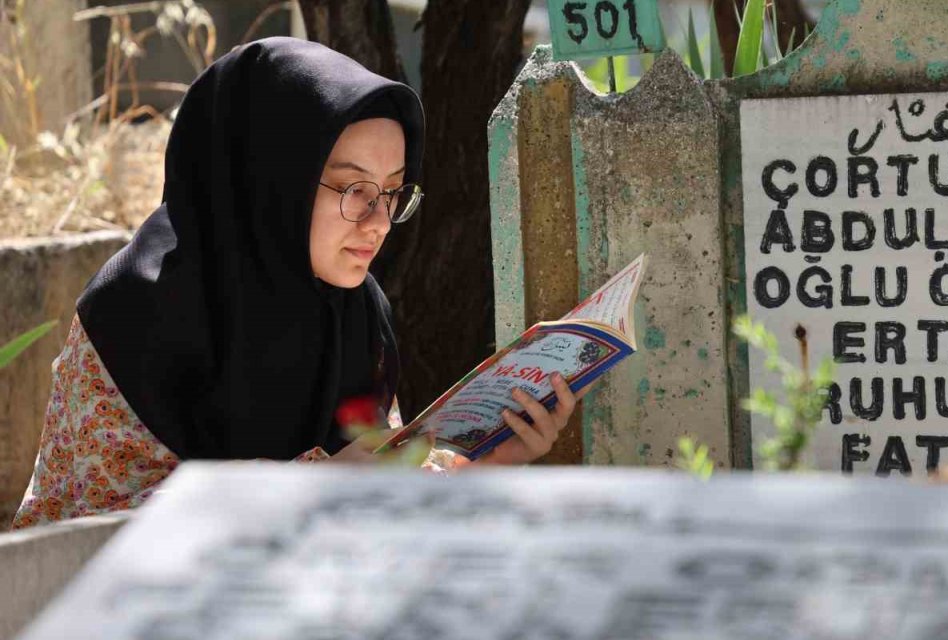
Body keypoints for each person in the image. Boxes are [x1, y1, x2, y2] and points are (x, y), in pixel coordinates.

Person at [10, 37, 581, 530]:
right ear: (270, 181)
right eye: (353, 189)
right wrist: (317, 484)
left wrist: (485, 463)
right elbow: (74, 541)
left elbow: (384, 489)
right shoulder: (135, 314)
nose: (379, 222)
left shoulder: (357, 311)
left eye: (392, 192)